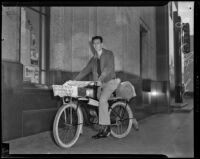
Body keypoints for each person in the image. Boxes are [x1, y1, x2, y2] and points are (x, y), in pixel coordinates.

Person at [74, 36, 138, 139]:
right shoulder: (93, 59)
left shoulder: (109, 54)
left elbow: (108, 69)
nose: (96, 45)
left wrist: (99, 79)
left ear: (102, 44)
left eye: (98, 43)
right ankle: (98, 120)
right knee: (90, 99)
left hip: (110, 82)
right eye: (94, 43)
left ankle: (106, 128)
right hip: (99, 84)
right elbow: (85, 70)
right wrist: (74, 80)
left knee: (103, 100)